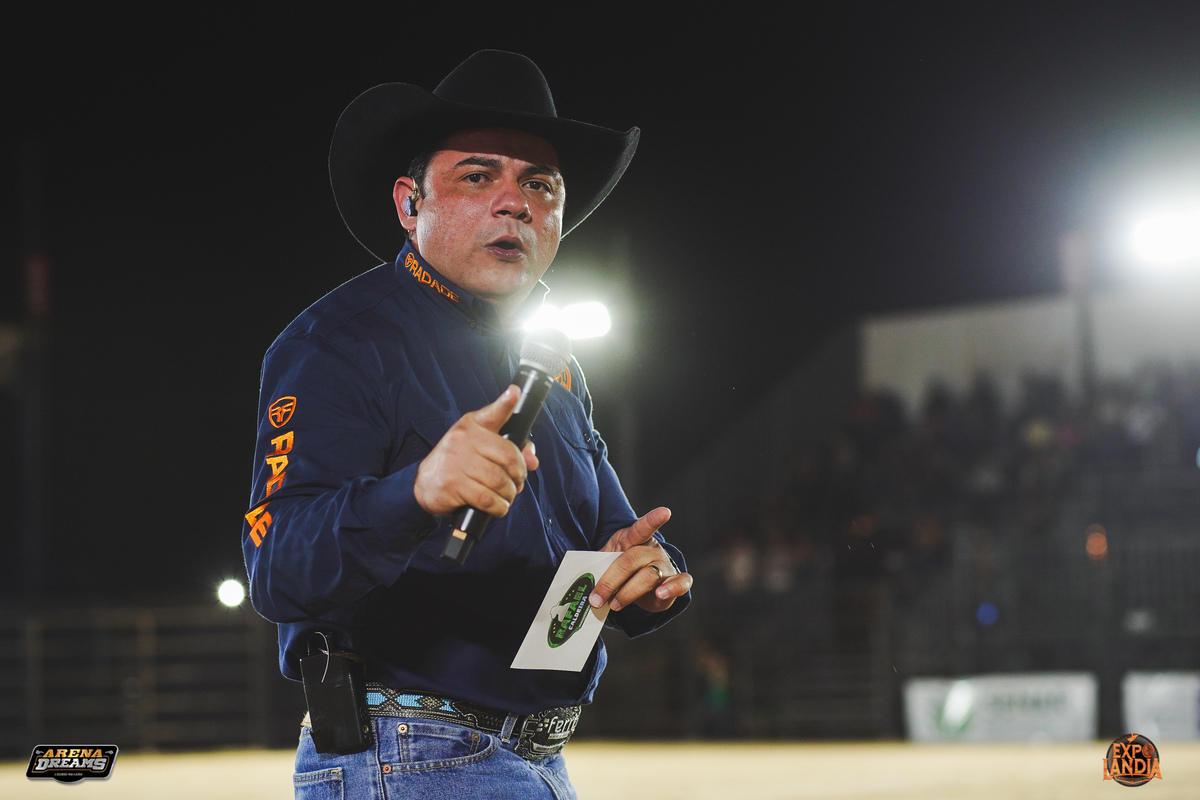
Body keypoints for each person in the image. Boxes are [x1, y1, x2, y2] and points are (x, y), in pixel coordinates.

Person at [241, 50, 693, 799]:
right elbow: (276, 569)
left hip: (533, 755)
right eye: (478, 177)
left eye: (539, 184)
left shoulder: (554, 365)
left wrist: (649, 572)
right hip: (406, 753)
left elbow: (616, 534)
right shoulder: (338, 342)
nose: (514, 202)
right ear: (409, 204)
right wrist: (416, 492)